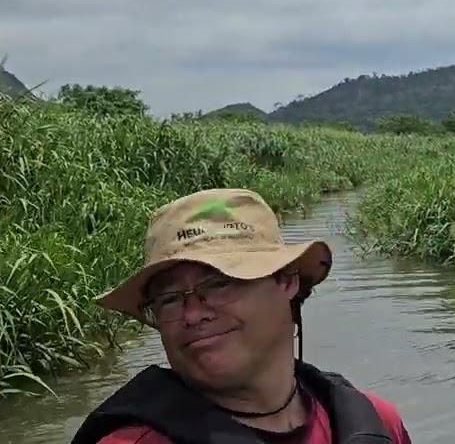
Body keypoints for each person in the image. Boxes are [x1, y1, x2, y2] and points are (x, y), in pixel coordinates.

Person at [69, 188, 413, 444]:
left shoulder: (376, 425)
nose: (192, 314)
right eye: (170, 299)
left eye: (219, 284)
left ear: (286, 281)